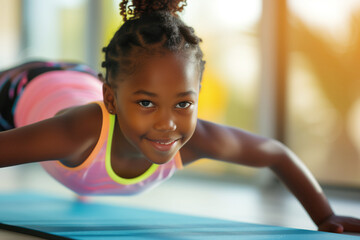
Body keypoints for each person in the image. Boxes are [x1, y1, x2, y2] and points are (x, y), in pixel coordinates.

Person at [0, 0, 359, 234]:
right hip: (23, 86)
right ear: (110, 99)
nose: (167, 124)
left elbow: (276, 153)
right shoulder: (76, 132)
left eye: (183, 104)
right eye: (146, 104)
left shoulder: (199, 139)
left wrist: (324, 216)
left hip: (82, 78)